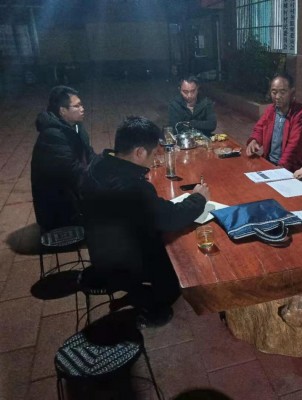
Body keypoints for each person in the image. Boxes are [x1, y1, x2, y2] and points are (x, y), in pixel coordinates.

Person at [81, 116, 210, 328]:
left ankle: (141, 290)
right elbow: (169, 218)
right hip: (121, 260)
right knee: (179, 253)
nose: (155, 158)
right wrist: (199, 199)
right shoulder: (131, 186)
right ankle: (153, 305)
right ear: (139, 152)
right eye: (153, 153)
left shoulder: (98, 163)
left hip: (99, 247)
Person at [31, 85, 95, 231]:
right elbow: (73, 173)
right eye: (76, 106)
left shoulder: (76, 127)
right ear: (62, 111)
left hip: (74, 196)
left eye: (81, 105)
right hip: (60, 212)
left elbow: (89, 155)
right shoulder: (52, 136)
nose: (82, 109)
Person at [245, 72, 302, 172]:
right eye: (274, 92)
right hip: (269, 162)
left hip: (291, 168)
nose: (277, 96)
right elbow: (260, 128)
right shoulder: (271, 110)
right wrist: (255, 140)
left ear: (292, 92)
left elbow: (294, 147)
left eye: (282, 92)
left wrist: (280, 169)